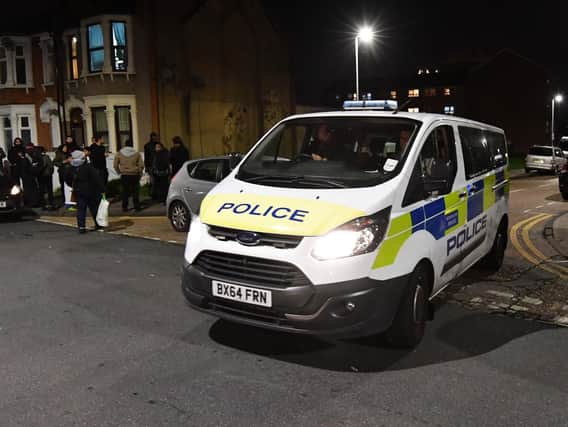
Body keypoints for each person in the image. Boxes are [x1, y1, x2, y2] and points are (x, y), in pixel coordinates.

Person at [65, 151, 104, 234]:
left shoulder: (71, 167)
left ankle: (81, 226)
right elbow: (96, 178)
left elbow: (67, 179)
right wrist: (102, 189)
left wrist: (73, 186)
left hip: (78, 190)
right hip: (90, 190)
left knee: (81, 209)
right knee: (94, 208)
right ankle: (98, 224)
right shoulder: (88, 166)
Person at [114, 139, 143, 212]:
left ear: (125, 145)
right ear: (132, 145)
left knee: (125, 192)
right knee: (135, 192)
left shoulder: (119, 153)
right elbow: (141, 165)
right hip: (134, 174)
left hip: (124, 174)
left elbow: (115, 165)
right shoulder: (136, 153)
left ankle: (124, 207)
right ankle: (137, 206)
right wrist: (140, 172)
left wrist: (119, 172)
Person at [21, 143, 41, 207]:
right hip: (27, 176)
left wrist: (34, 166)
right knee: (29, 190)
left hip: (31, 175)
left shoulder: (32, 156)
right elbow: (26, 167)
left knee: (33, 189)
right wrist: (33, 167)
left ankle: (34, 203)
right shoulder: (25, 157)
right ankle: (31, 203)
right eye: (28, 148)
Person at [144, 132, 160, 199]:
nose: (155, 138)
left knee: (157, 180)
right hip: (151, 165)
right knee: (153, 180)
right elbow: (146, 156)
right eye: (154, 137)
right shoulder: (147, 145)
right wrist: (146, 166)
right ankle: (153, 194)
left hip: (158, 165)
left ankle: (156, 194)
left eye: (156, 137)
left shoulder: (159, 144)